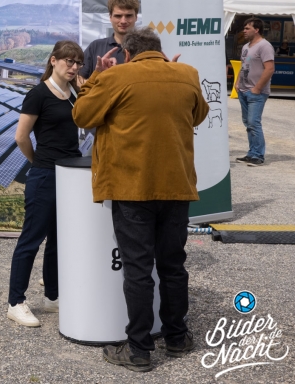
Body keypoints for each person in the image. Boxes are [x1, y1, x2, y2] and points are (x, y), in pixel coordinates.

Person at [72, 27, 209, 372]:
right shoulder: (187, 74)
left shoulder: (116, 77)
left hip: (132, 187)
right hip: (177, 187)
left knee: (138, 270)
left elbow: (82, 115)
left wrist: (97, 77)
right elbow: (198, 115)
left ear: (127, 53)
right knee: (173, 265)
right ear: (160, 51)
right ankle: (177, 337)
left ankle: (139, 350)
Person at [7, 41, 85, 327]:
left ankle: (53, 296)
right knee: (31, 239)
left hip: (69, 175)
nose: (74, 67)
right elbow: (21, 137)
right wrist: (38, 162)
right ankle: (15, 302)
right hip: (45, 175)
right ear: (54, 60)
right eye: (68, 61)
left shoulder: (74, 93)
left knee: (58, 240)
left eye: (78, 63)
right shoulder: (38, 94)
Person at [235, 18, 276, 167]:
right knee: (248, 123)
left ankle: (258, 156)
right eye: (244, 28)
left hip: (256, 92)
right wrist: (237, 82)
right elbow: (243, 66)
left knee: (253, 123)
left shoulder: (264, 46)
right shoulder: (246, 46)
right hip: (244, 90)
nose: (244, 31)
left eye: (247, 28)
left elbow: (270, 69)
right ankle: (252, 153)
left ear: (256, 30)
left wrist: (257, 88)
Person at [79, 0, 140, 79]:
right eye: (118, 16)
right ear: (110, 17)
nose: (123, 21)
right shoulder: (95, 46)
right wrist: (98, 76)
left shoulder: (147, 48)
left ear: (136, 17)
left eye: (128, 16)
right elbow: (78, 80)